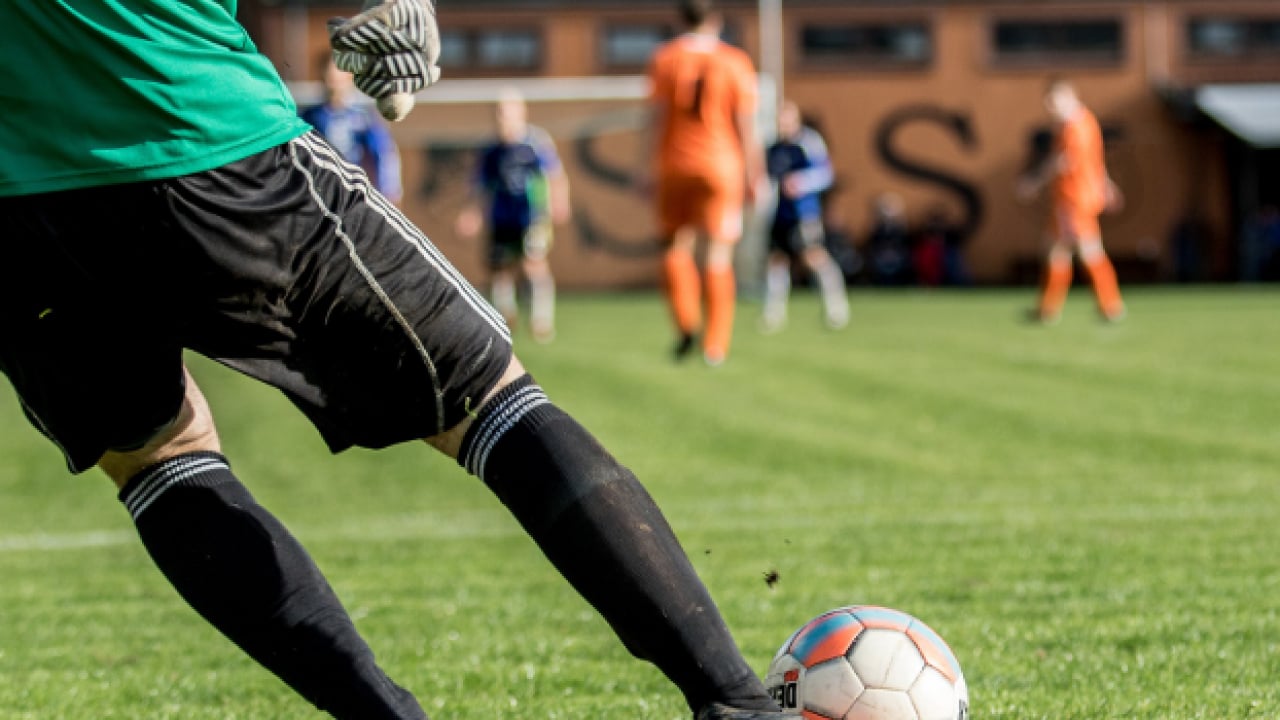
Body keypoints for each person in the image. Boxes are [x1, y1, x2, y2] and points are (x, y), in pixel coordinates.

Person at [0, 3, 781, 720]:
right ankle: (735, 701)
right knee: (486, 394)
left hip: (18, 209)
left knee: (158, 460)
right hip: (203, 133)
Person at [642, 0, 766, 366]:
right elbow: (746, 125)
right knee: (717, 254)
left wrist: (645, 166)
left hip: (674, 165)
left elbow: (655, 119)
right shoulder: (735, 61)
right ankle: (715, 344)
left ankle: (685, 325)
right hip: (720, 166)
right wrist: (755, 173)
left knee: (674, 248)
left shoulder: (665, 58)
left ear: (679, 19)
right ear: (716, 19)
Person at [455, 89, 568, 343]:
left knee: (533, 263)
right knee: (499, 268)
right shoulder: (491, 150)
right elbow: (478, 186)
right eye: (499, 113)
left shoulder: (535, 143)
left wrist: (559, 201)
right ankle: (505, 317)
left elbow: (554, 175)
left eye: (507, 112)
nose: (503, 118)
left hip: (532, 215)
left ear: (521, 113)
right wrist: (470, 214)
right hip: (501, 216)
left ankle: (541, 320)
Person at [1017, 78, 1126, 323]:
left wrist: (1033, 182)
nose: (1051, 109)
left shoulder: (1074, 127)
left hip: (1073, 198)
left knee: (1086, 251)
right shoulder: (1086, 122)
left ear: (1069, 96)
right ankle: (1050, 309)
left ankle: (1109, 305)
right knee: (1059, 252)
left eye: (1054, 103)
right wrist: (1106, 184)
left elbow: (1064, 161)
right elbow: (1095, 161)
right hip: (1075, 197)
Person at [760, 100, 849, 333]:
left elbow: (826, 173)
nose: (783, 124)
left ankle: (836, 307)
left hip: (804, 213)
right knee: (777, 261)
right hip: (780, 215)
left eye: (787, 119)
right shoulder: (773, 148)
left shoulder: (809, 143)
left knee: (814, 257)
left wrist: (801, 182)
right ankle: (773, 314)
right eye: (780, 119)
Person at [301, 54, 404, 203]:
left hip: (353, 194)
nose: (333, 81)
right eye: (329, 75)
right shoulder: (310, 117)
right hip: (320, 193)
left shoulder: (364, 117)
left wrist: (390, 191)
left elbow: (383, 153)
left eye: (338, 76)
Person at [865, 192, 913, 286]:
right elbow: (873, 243)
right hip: (881, 256)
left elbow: (903, 243)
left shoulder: (900, 228)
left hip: (897, 256)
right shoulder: (878, 229)